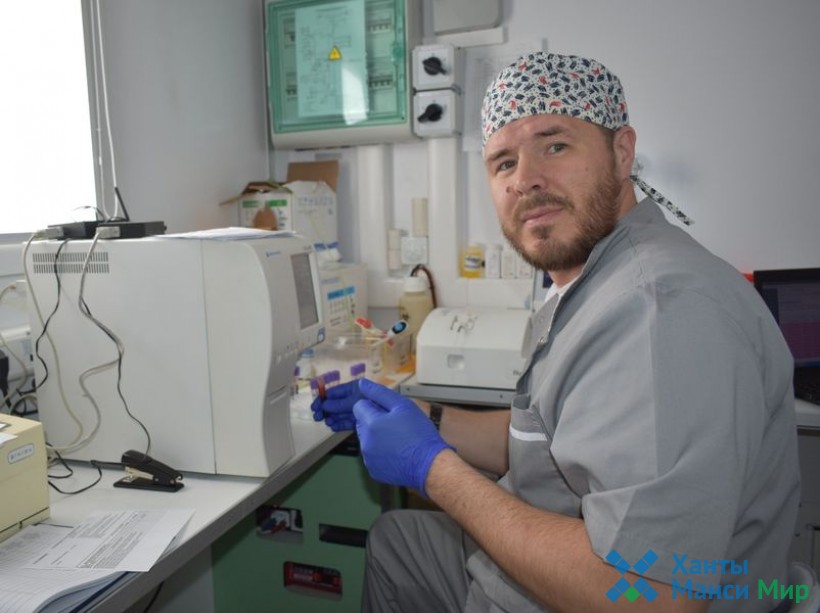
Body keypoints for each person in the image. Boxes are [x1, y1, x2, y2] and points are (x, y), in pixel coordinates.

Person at [312, 52, 800, 612]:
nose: (526, 180)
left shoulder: (659, 310)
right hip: (539, 555)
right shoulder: (593, 278)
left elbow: (651, 597)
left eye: (556, 146)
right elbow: (551, 441)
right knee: (397, 542)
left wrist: (432, 469)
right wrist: (425, 418)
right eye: (503, 163)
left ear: (622, 152)